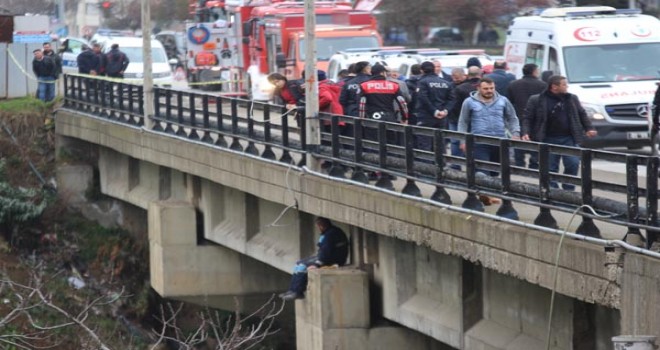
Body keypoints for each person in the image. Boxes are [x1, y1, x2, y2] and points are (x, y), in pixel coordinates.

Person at [521, 75, 597, 190]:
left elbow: (582, 114)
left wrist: (589, 128)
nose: (567, 87)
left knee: (573, 163)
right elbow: (528, 118)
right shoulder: (536, 100)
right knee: (550, 168)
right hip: (548, 138)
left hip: (569, 138)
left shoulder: (572, 98)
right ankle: (553, 192)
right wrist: (525, 132)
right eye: (564, 84)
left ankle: (568, 191)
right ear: (554, 87)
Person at [458, 77, 520, 205]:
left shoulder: (503, 101)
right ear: (479, 88)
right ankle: (484, 194)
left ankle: (486, 193)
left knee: (495, 171)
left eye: (491, 88)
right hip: (479, 142)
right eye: (486, 88)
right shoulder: (469, 102)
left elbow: (512, 118)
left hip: (499, 142)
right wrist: (462, 141)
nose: (489, 91)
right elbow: (463, 122)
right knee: (482, 170)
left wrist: (515, 133)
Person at [279, 217, 349, 301]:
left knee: (302, 266)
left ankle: (298, 292)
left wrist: (317, 264)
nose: (318, 229)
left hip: (334, 260)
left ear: (320, 226)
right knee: (298, 263)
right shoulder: (330, 232)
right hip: (330, 256)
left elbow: (326, 252)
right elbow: (324, 251)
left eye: (318, 226)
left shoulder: (329, 235)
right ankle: (292, 290)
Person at [507, 63, 546, 168]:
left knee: (518, 141)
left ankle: (520, 164)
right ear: (534, 71)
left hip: (518, 117)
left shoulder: (513, 84)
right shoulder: (542, 85)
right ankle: (534, 165)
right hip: (536, 119)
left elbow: (510, 102)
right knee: (535, 141)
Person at [415, 61, 454, 151]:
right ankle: (441, 164)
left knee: (425, 144)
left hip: (426, 116)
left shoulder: (422, 82)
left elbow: (423, 98)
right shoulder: (446, 83)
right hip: (442, 117)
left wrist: (434, 111)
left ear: (422, 71)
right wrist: (445, 111)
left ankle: (426, 164)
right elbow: (452, 99)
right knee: (440, 143)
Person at [448, 66, 482, 168]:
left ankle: (456, 165)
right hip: (475, 119)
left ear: (466, 75)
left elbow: (454, 104)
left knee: (456, 142)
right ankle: (474, 165)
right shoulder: (481, 87)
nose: (455, 79)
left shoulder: (459, 88)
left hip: (457, 119)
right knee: (474, 142)